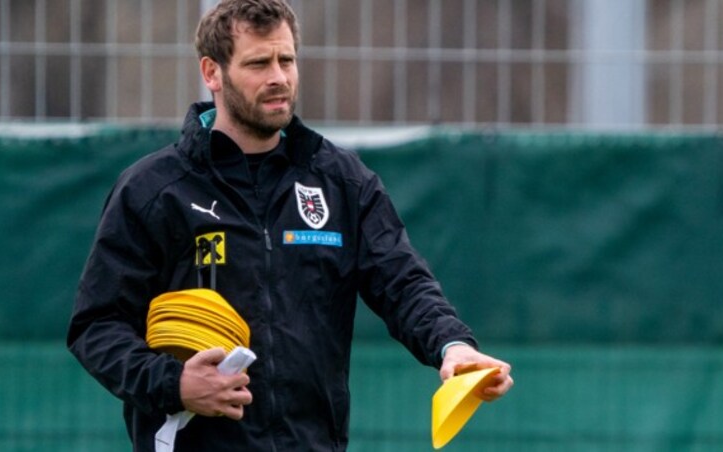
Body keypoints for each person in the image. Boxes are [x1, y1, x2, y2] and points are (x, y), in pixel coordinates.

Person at [67, 0, 513, 450]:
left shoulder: (342, 182)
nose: (278, 77)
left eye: (287, 59)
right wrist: (174, 382)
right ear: (212, 73)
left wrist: (452, 345)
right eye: (258, 63)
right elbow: (96, 325)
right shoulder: (154, 190)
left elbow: (402, 281)